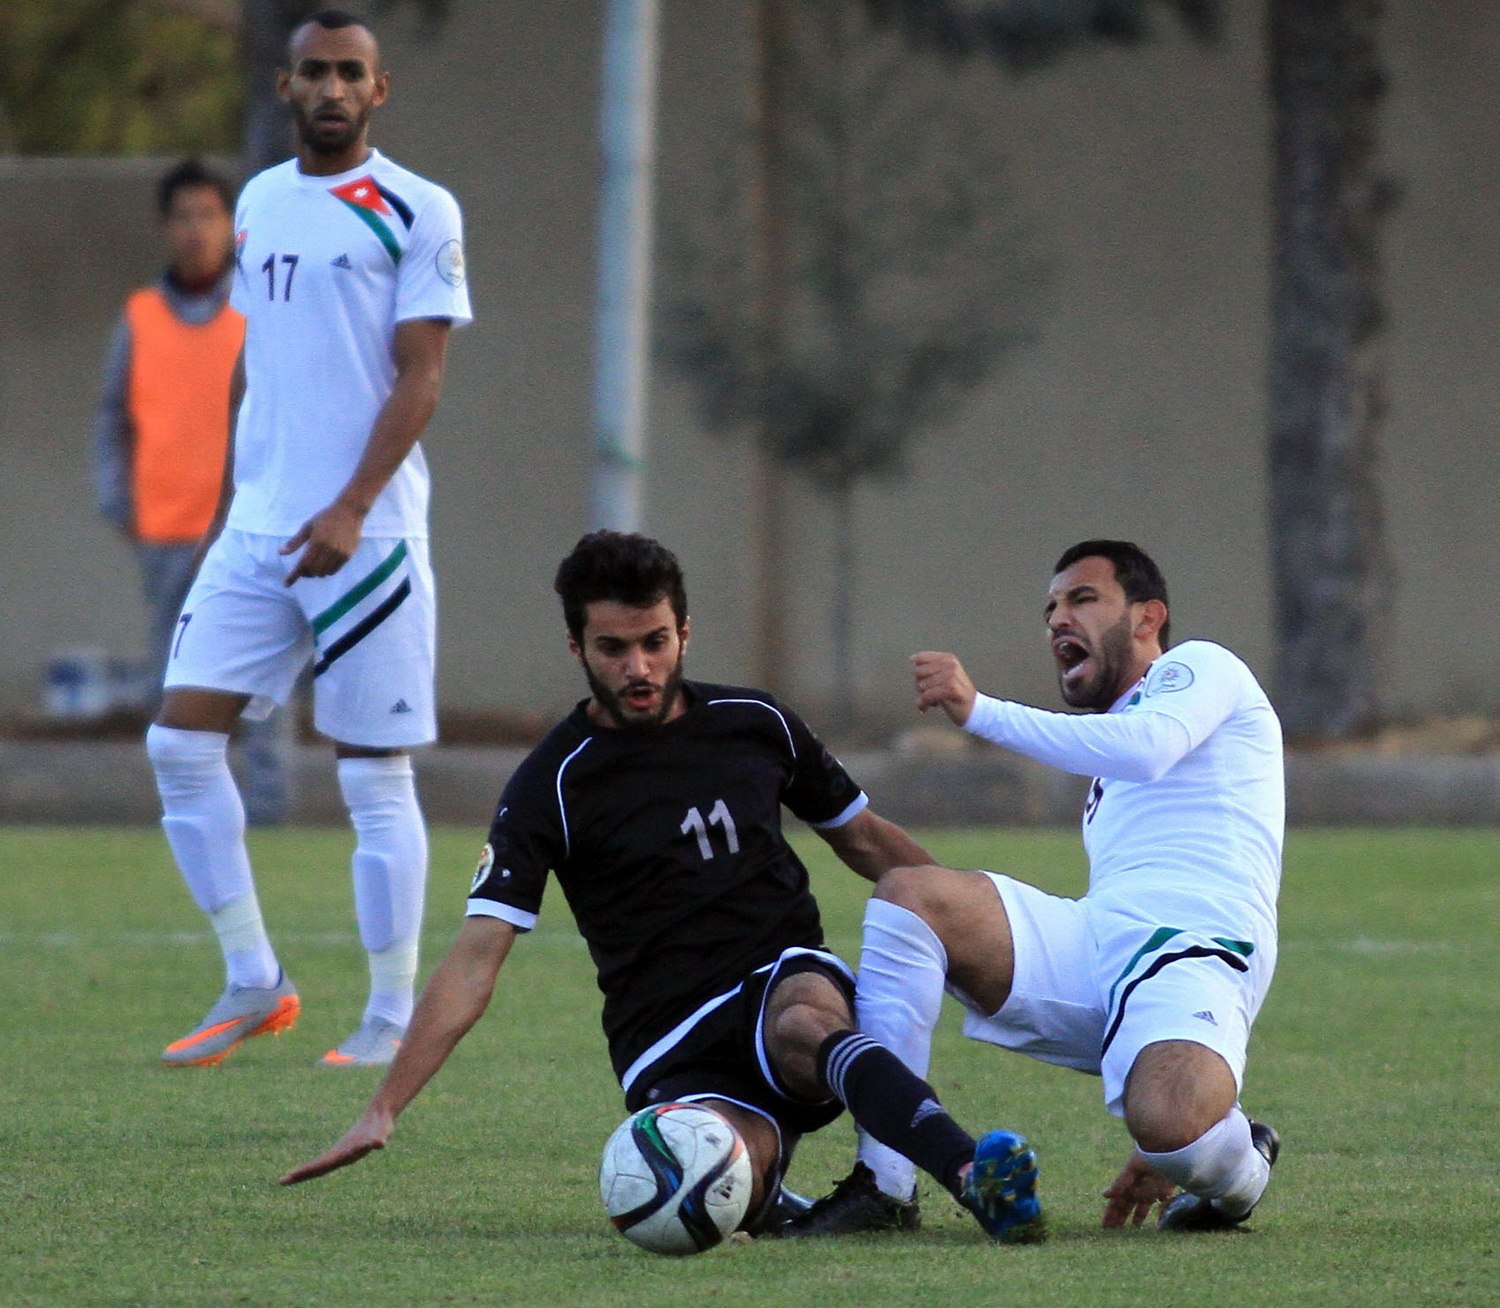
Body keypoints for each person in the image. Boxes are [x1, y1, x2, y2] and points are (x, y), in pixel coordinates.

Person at [279, 531, 1044, 1245]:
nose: (638, 668)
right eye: (613, 649)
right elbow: (477, 958)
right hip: (669, 1042)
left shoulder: (755, 722)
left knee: (803, 1019)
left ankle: (968, 1172)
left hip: (779, 979)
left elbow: (868, 840)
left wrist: (977, 922)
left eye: (655, 642)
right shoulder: (551, 784)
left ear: (684, 632)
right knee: (710, 1179)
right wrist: (383, 1108)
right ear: (577, 648)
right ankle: (775, 1196)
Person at [148, 9, 472, 1069]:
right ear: (284, 86)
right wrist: (235, 497)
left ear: (380, 90)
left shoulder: (419, 208)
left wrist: (351, 504)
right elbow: (260, 360)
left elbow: (422, 375)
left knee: (372, 776)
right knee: (178, 744)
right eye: (315, 72)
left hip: (367, 536)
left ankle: (390, 1015)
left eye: (350, 73)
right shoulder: (257, 200)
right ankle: (254, 977)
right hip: (256, 530)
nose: (332, 88)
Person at [807, 539, 1283, 1235]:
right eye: (1052, 608)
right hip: (1098, 945)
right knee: (912, 896)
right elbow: (1127, 748)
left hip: (1192, 949)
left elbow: (1149, 748)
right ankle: (884, 1184)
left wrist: (979, 711)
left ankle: (1236, 1161)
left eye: (1083, 599)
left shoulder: (1202, 668)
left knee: (1172, 1125)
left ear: (1148, 617)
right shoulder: (1110, 746)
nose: (1060, 618)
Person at [92, 159, 290, 826]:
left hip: (248, 525)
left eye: (209, 215)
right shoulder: (140, 317)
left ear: (231, 226)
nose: (196, 230)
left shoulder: (256, 309)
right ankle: (185, 812)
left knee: (258, 679)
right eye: (183, 217)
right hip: (168, 530)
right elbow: (112, 416)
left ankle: (267, 813)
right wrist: (117, 500)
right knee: (173, 677)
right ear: (164, 227)